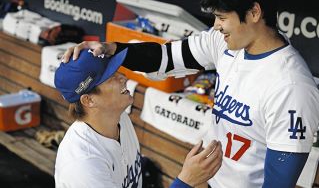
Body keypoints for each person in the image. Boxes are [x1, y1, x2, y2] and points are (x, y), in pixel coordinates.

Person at [63, 0, 319, 187]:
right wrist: (114, 49)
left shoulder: (291, 86)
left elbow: (278, 183)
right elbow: (164, 57)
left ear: (254, 13)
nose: (216, 26)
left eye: (222, 17)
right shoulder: (225, 44)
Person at [54, 48, 222, 188]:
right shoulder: (83, 164)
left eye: (117, 71)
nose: (123, 78)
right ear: (89, 100)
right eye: (111, 77)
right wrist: (187, 181)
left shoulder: (119, 119)